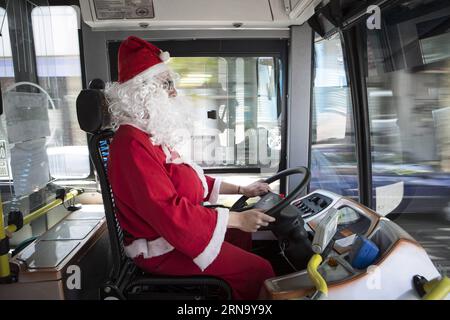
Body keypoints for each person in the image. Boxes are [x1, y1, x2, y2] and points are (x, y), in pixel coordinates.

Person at [105, 36, 276, 300]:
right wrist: (238, 219)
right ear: (143, 91)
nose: (174, 93)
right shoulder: (130, 144)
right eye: (167, 85)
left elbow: (189, 180)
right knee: (260, 270)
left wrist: (242, 188)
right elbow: (166, 210)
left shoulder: (149, 136)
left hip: (172, 234)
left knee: (240, 236)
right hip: (161, 247)